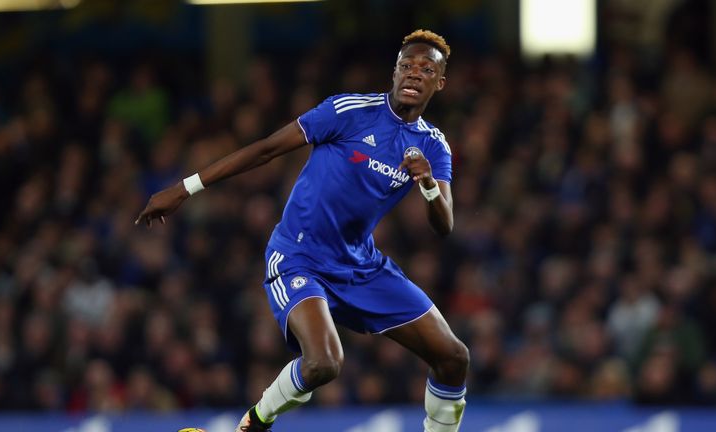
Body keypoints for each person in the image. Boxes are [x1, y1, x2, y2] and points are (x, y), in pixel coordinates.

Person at [136, 29, 469, 432]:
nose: (414, 74)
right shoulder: (348, 111)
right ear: (394, 72)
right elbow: (266, 149)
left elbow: (444, 224)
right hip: (300, 258)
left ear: (440, 82)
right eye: (407, 66)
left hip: (360, 265)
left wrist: (429, 185)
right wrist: (184, 188)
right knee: (324, 363)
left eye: (426, 69)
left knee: (454, 357)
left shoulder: (433, 146)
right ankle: (254, 425)